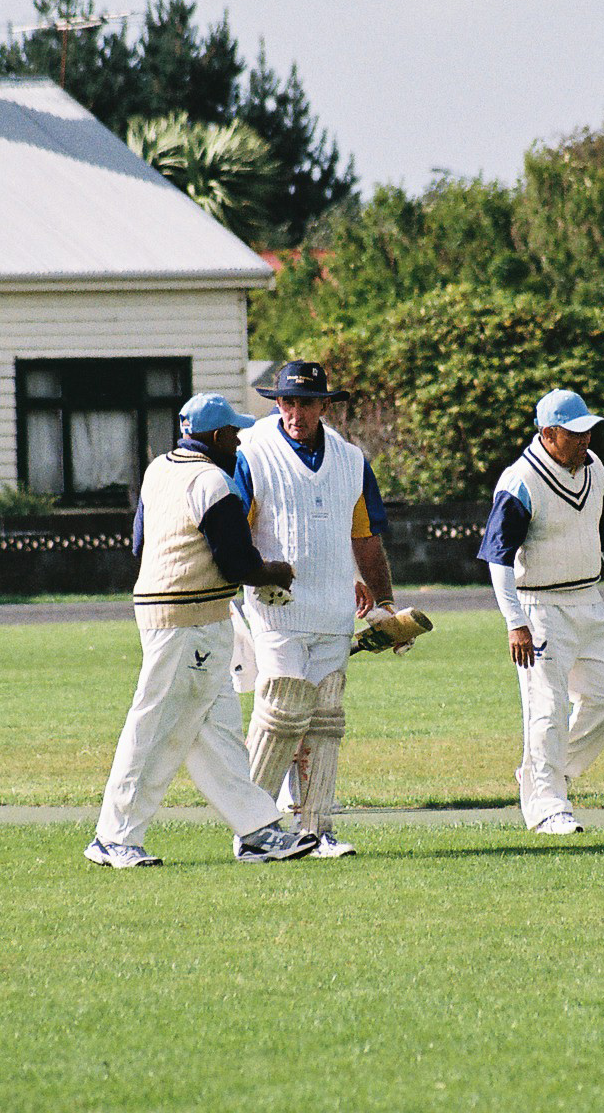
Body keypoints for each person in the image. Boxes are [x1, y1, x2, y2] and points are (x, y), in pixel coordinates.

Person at [87, 393, 318, 868]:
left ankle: (258, 832)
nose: (238, 442)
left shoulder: (158, 469)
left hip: (188, 615)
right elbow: (239, 562)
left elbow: (140, 543)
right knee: (153, 728)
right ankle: (113, 838)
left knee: (217, 734)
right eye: (233, 434)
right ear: (214, 437)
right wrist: (276, 572)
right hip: (185, 621)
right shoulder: (214, 480)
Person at [236, 360, 403, 858]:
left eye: (306, 402)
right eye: (286, 401)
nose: (295, 412)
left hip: (333, 611)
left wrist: (386, 605)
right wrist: (245, 581)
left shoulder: (351, 460)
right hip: (276, 609)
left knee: (325, 718)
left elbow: (365, 537)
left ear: (325, 406)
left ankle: (315, 829)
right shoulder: (253, 452)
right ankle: (253, 829)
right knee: (282, 710)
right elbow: (234, 532)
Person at [477, 389, 604, 835]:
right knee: (546, 708)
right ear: (548, 434)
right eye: (575, 433)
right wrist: (516, 623)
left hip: (589, 600)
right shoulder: (520, 482)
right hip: (540, 606)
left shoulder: (595, 470)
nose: (586, 440)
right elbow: (498, 559)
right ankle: (548, 805)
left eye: (588, 431)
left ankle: (544, 773)